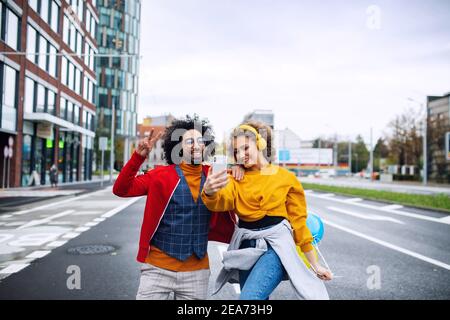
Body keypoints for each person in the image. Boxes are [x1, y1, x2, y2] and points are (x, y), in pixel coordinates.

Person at [201, 121, 333, 300]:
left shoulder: (286, 178)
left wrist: (315, 265)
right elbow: (221, 203)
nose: (241, 155)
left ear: (260, 144)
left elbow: (299, 222)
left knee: (249, 299)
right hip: (246, 246)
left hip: (277, 247)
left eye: (245, 148)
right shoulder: (235, 178)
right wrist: (210, 191)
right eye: (236, 152)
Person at [113, 115, 238, 300]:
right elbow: (121, 189)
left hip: (197, 273)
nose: (196, 145)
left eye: (200, 140)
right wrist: (138, 157)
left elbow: (252, 180)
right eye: (189, 141)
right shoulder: (160, 176)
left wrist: (241, 168)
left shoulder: (216, 176)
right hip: (157, 269)